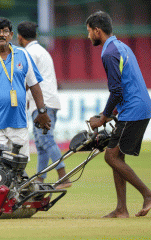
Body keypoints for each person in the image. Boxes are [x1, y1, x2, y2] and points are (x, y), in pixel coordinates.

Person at [86, 11, 151, 218]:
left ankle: (148, 194)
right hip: (138, 106)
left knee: (111, 156)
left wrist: (103, 118)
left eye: (89, 32)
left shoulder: (108, 53)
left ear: (98, 31)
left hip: (133, 110)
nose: (88, 36)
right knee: (117, 156)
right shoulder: (121, 46)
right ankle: (122, 209)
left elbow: (116, 91)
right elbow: (125, 84)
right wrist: (110, 113)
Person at [0, 17, 51, 159]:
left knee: (20, 165)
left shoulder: (23, 54)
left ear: (11, 35)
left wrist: (42, 111)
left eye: (5, 31)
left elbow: (34, 85)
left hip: (19, 121)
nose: (2, 35)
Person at [17, 21, 71, 189]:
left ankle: (63, 176)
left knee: (45, 140)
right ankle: (40, 179)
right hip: (48, 101)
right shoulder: (42, 52)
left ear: (20, 37)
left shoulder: (28, 53)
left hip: (42, 104)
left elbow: (27, 79)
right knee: (40, 144)